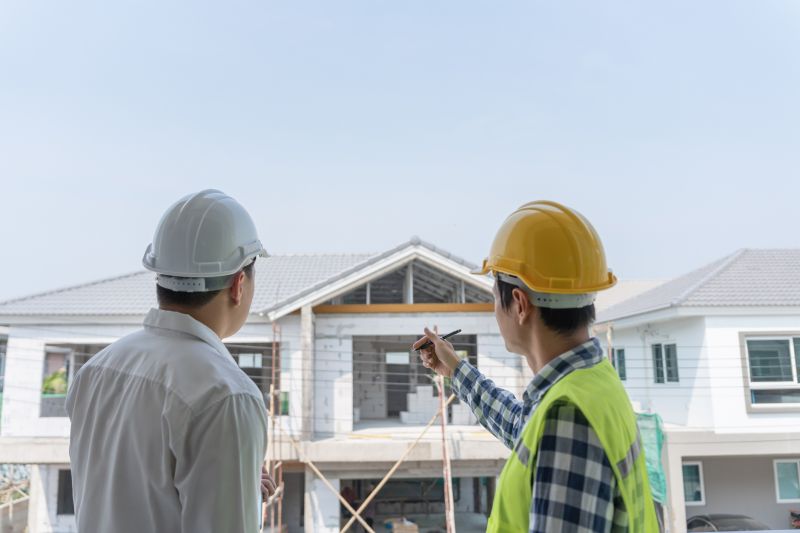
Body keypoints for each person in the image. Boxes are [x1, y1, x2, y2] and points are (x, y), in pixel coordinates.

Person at [414, 201, 658, 532]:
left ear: (519, 304)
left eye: (494, 299)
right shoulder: (591, 382)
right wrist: (456, 370)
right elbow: (523, 429)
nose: (495, 312)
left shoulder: (568, 416)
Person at [66, 189, 276, 533]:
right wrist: (238, 496)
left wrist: (233, 482)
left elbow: (132, 493)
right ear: (239, 284)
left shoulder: (97, 370)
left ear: (160, 276)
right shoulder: (225, 396)